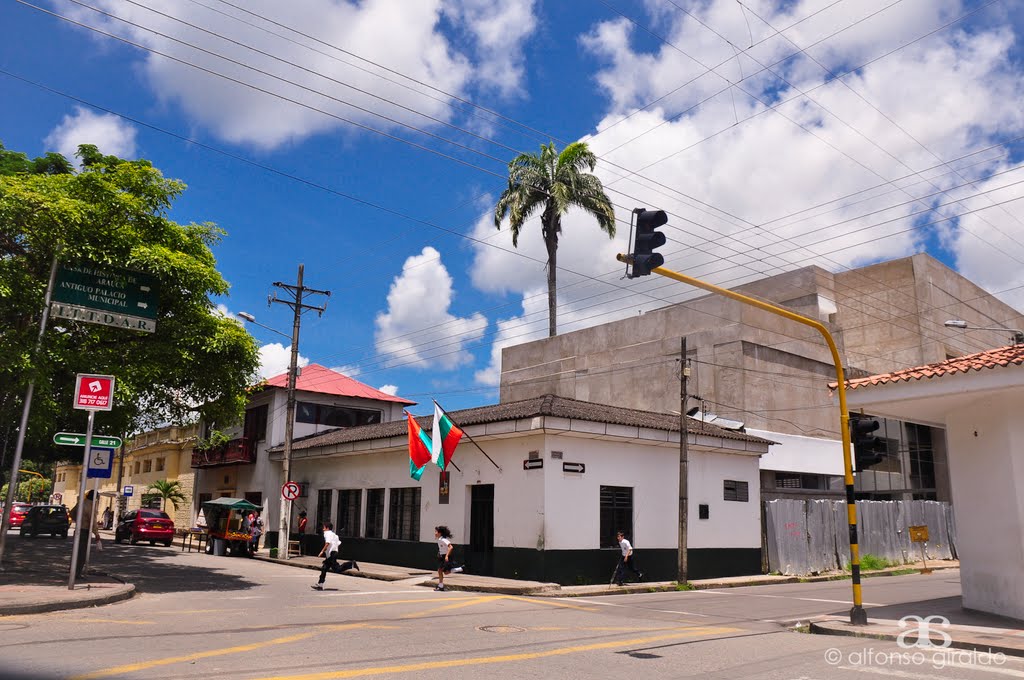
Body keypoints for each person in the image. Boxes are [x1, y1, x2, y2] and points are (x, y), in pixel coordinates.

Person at [311, 522, 359, 590]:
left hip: (332, 554)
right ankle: (320, 585)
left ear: (327, 528)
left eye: (324, 527)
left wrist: (322, 551)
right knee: (325, 568)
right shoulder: (335, 535)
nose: (323, 529)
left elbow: (327, 543)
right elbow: (338, 543)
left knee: (337, 569)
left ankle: (351, 564)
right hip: (333, 553)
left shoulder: (327, 533)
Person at [69, 491, 100, 579]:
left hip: (78, 529)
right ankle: (77, 574)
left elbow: (71, 513)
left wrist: (78, 520)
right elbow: (92, 521)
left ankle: (72, 570)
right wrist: (96, 533)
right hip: (85, 531)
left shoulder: (81, 502)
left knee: (75, 551)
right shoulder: (91, 505)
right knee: (82, 554)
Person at [433, 525, 464, 591]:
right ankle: (460, 569)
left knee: (442, 571)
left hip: (446, 557)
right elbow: (442, 548)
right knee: (443, 571)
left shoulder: (443, 540)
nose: (435, 533)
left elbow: (451, 547)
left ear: (439, 533)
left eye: (436, 531)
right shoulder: (439, 540)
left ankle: (441, 586)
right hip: (442, 557)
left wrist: (446, 556)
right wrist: (439, 553)